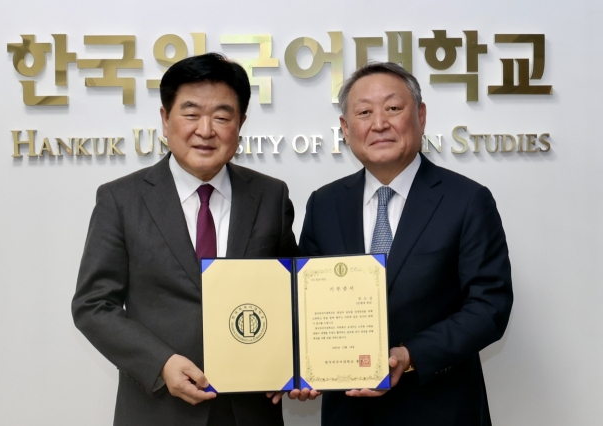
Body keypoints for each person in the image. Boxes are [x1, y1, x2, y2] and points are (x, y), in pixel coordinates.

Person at [72, 53, 297, 426]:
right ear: (165, 119)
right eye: (191, 114)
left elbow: (293, 292)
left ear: (240, 123)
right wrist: (161, 363)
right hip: (157, 408)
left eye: (222, 116)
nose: (206, 130)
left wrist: (293, 360)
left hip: (249, 410)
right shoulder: (121, 199)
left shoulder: (270, 196)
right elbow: (93, 305)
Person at [296, 62, 513, 425]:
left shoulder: (467, 200)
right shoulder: (324, 204)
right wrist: (296, 363)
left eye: (393, 109)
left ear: (421, 116)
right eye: (364, 112)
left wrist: (409, 355)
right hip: (349, 414)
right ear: (346, 130)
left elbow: (489, 306)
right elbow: (303, 300)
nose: (379, 123)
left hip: (441, 409)